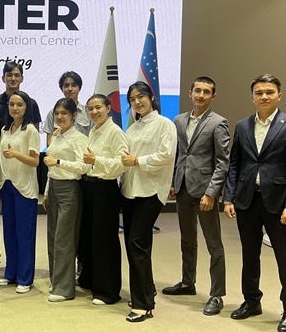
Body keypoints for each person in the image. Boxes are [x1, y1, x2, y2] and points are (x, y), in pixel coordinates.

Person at [224, 74, 286, 332]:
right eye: (259, 92)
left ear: (279, 96)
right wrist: (229, 197)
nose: (264, 96)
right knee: (249, 255)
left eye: (269, 92)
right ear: (252, 97)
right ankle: (251, 301)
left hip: (279, 204)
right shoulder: (242, 126)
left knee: (285, 257)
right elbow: (235, 164)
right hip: (247, 200)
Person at [163, 77, 229, 316]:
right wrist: (173, 181)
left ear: (213, 96)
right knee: (187, 240)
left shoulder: (218, 123)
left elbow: (222, 162)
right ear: (190, 93)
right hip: (183, 187)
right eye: (197, 90)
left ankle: (217, 294)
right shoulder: (179, 120)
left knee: (214, 244)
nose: (201, 95)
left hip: (205, 192)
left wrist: (212, 193)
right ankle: (187, 282)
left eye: (206, 92)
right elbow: (178, 154)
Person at [120, 81, 177, 322]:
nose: (137, 102)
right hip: (130, 191)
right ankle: (147, 290)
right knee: (136, 244)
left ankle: (143, 305)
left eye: (140, 97)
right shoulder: (132, 128)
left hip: (151, 192)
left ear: (151, 97)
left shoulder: (165, 124)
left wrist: (137, 161)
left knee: (137, 244)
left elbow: (166, 156)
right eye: (132, 99)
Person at [0, 61, 41, 270]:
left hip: (22, 168)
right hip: (0, 166)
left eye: (17, 75)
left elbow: (33, 138)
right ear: (3, 78)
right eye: (9, 75)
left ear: (22, 78)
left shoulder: (31, 105)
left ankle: (23, 271)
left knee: (22, 224)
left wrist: (18, 153)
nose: (13, 78)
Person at [77, 94, 127, 305]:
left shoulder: (115, 132)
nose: (94, 112)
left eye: (98, 107)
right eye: (90, 108)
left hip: (106, 189)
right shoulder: (94, 130)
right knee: (89, 237)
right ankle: (90, 280)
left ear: (108, 108)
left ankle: (108, 291)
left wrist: (96, 160)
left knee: (105, 240)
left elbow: (122, 164)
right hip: (89, 187)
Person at [41, 98, 89, 303]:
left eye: (64, 113)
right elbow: (50, 167)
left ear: (74, 115)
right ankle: (57, 281)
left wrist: (59, 162)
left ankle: (65, 289)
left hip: (70, 188)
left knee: (64, 239)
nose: (60, 117)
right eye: (57, 113)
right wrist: (46, 191)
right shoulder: (57, 135)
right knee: (53, 237)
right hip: (54, 187)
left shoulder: (79, 138)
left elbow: (84, 167)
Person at [0, 91, 40, 294]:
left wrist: (15, 154)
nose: (15, 108)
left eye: (19, 104)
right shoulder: (5, 129)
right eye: (12, 104)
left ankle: (25, 278)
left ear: (26, 107)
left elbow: (35, 161)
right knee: (10, 233)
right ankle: (10, 273)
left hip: (25, 187)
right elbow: (2, 159)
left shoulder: (31, 130)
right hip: (7, 185)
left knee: (24, 234)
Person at [44, 71, 92, 145]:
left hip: (83, 150)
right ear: (62, 89)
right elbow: (49, 143)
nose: (70, 89)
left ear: (79, 88)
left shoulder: (88, 112)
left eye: (74, 85)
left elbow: (94, 139)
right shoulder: (53, 113)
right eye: (66, 86)